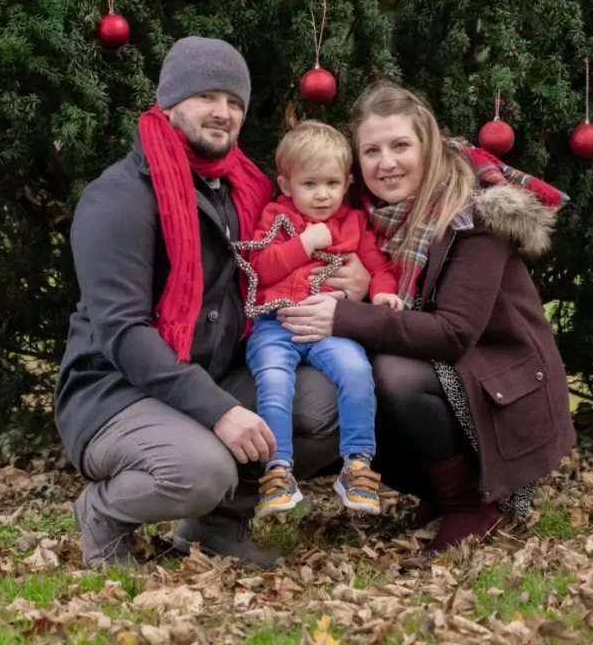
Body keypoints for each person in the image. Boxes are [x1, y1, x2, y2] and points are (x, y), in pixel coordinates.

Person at [53, 37, 371, 569]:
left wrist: (352, 276)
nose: (223, 113)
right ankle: (103, 513)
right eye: (207, 96)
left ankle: (215, 527)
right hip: (115, 392)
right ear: (170, 102)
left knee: (333, 401)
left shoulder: (244, 191)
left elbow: (303, 248)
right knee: (201, 471)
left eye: (235, 102)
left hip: (214, 373)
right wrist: (220, 411)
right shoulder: (119, 198)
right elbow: (124, 332)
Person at [277, 81, 577, 552]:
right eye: (371, 150)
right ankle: (439, 490)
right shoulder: (362, 219)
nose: (387, 163)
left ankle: (469, 503)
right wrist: (354, 289)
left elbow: (453, 333)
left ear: (428, 146)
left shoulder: (472, 216)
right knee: (347, 374)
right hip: (455, 375)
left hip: (501, 384)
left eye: (401, 146)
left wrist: (345, 313)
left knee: (391, 374)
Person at [244, 121, 402, 519]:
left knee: (355, 369)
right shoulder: (276, 217)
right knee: (275, 380)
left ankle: (358, 465)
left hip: (331, 326)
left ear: (348, 182)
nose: (322, 195)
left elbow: (376, 263)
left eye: (332, 183)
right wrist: (303, 245)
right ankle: (278, 471)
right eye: (310, 184)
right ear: (286, 184)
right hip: (276, 323)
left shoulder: (352, 222)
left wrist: (382, 290)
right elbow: (259, 268)